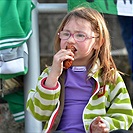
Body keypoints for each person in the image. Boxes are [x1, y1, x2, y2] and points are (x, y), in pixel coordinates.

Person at [26, 7, 133, 133]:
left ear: (98, 42)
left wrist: (106, 125)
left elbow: (124, 115)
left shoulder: (109, 77)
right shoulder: (50, 74)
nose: (70, 40)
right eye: (66, 34)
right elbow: (39, 113)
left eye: (80, 35)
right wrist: (53, 77)